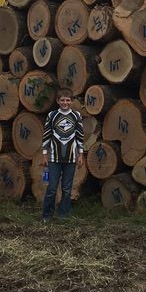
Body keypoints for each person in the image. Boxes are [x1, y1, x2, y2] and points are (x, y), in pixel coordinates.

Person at [38, 88, 85, 219]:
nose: (65, 102)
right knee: (52, 188)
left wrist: (81, 154)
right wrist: (44, 154)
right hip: (54, 158)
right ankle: (47, 215)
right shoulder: (52, 116)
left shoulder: (76, 116)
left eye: (68, 100)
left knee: (66, 188)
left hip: (70, 158)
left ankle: (63, 215)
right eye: (62, 100)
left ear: (72, 101)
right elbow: (46, 135)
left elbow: (80, 136)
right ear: (58, 101)